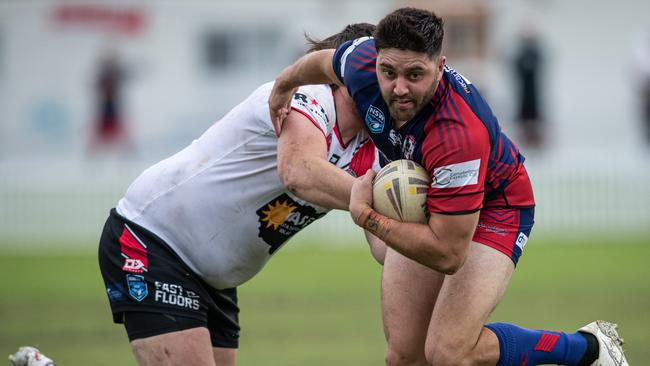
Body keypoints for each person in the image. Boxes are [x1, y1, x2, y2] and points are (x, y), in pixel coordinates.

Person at [269, 8, 628, 366]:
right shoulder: (363, 61)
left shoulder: (457, 135)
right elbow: (322, 62)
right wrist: (283, 86)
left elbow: (448, 254)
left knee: (448, 352)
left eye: (415, 74)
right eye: (388, 72)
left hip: (497, 205)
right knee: (404, 356)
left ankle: (588, 348)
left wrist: (367, 216)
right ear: (375, 60)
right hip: (435, 198)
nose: (399, 88)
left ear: (440, 67)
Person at [97, 23, 382, 366]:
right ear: (342, 72)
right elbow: (297, 172)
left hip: (215, 277)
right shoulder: (308, 96)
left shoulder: (372, 143)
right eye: (381, 72)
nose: (394, 88)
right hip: (154, 240)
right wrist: (375, 195)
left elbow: (381, 242)